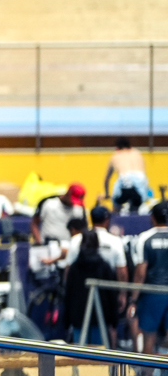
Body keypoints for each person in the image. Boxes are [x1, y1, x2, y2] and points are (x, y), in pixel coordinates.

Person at [62, 209, 124, 345]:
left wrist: (66, 319)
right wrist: (114, 319)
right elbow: (111, 293)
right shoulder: (104, 266)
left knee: (79, 353)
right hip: (101, 315)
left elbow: (68, 292)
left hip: (78, 315)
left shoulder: (74, 268)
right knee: (100, 353)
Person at [130, 203, 168, 355]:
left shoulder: (144, 238)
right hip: (157, 292)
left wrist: (133, 299)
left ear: (152, 218)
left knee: (148, 339)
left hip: (153, 293)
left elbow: (140, 273)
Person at [105, 138, 151, 214]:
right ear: (130, 146)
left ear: (117, 148)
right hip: (141, 178)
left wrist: (107, 194)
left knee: (116, 207)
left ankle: (116, 216)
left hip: (125, 178)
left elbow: (107, 179)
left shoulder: (116, 156)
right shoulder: (137, 153)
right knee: (137, 206)